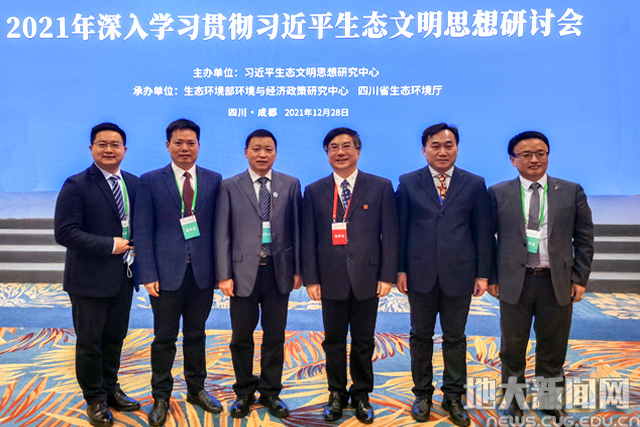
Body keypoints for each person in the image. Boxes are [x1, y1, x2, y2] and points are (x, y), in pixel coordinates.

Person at [488, 131, 594, 424]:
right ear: (513, 160)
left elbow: (584, 239)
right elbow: (486, 239)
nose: (534, 159)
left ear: (548, 156)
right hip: (515, 281)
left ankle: (550, 401)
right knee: (512, 347)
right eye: (526, 154)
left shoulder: (571, 191)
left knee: (553, 346)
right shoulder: (498, 193)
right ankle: (515, 400)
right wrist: (492, 276)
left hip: (556, 281)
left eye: (541, 153)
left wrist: (580, 278)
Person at [396, 123, 493, 426]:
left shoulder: (474, 183)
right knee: (420, 336)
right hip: (419, 273)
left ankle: (453, 396)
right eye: (435, 145)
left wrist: (482, 274)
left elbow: (482, 232)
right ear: (424, 149)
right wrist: (399, 269)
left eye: (448, 145)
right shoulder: (408, 182)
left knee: (455, 338)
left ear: (457, 149)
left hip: (460, 273)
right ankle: (422, 394)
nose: (442, 151)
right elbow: (400, 230)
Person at [301, 127, 399, 424]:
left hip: (368, 278)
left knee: (363, 340)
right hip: (329, 278)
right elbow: (308, 239)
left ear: (358, 151)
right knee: (333, 340)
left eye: (346, 146)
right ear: (327, 154)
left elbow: (390, 235)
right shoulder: (314, 191)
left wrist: (387, 276)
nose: (340, 152)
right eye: (333, 147)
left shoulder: (380, 187)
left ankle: (362, 393)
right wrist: (311, 279)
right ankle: (336, 392)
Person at [134, 119, 223, 426]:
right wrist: (147, 273)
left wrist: (220, 271)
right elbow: (142, 230)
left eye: (191, 143)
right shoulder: (150, 180)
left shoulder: (213, 180)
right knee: (164, 338)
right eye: (178, 143)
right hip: (165, 274)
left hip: (202, 274)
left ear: (199, 146)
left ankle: (196, 389)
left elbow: (219, 230)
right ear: (168, 145)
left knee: (197, 334)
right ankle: (161, 395)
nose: (185, 148)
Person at [54, 122, 140, 427]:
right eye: (102, 144)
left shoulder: (133, 183)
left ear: (124, 150)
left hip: (123, 277)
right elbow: (65, 232)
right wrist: (109, 245)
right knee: (90, 343)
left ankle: (111, 388)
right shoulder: (76, 185)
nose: (109, 149)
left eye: (115, 145)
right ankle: (95, 400)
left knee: (115, 338)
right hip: (88, 281)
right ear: (91, 148)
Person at [214, 129, 303, 419]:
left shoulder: (291, 184)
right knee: (241, 336)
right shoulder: (230, 186)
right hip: (242, 274)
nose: (262, 154)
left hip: (278, 272)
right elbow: (222, 233)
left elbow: (297, 231)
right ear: (246, 152)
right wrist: (224, 274)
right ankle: (243, 392)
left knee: (275, 336)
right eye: (256, 149)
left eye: (268, 149)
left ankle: (271, 392)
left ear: (276, 153)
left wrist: (298, 270)